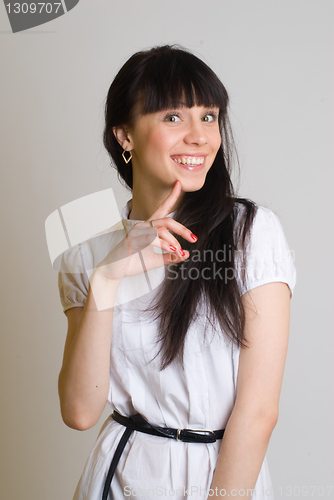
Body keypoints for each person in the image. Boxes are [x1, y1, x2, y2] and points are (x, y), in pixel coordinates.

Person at [57, 45, 296, 500]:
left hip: (223, 480)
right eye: (173, 117)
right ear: (124, 135)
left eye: (208, 116)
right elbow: (80, 412)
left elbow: (259, 409)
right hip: (118, 478)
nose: (200, 136)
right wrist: (106, 279)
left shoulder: (251, 233)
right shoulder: (87, 258)